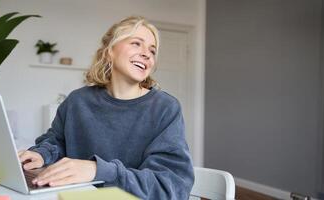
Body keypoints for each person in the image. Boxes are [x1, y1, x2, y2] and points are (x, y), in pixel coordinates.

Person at [18, 16, 194, 199]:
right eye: (136, 43)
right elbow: (57, 141)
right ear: (110, 50)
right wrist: (41, 154)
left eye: (152, 50)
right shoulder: (77, 101)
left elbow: (170, 186)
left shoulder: (165, 109)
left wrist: (98, 170)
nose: (147, 54)